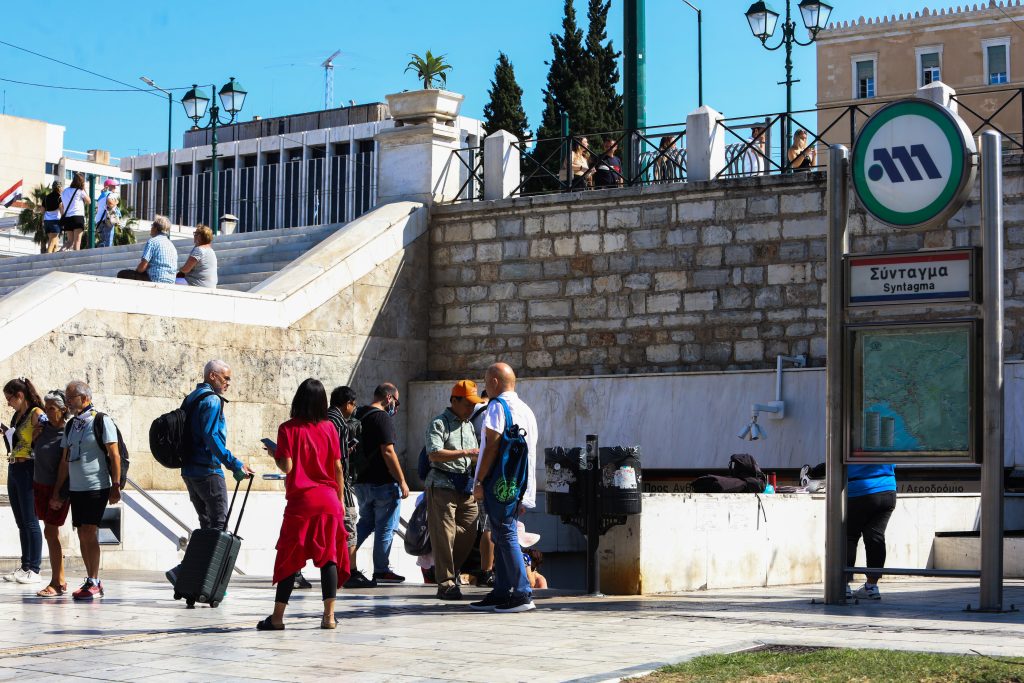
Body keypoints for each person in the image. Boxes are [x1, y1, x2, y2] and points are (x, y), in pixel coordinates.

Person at [258, 378, 351, 631]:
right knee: (329, 557)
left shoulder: (287, 429)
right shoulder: (330, 428)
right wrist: (341, 501)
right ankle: (329, 617)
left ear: (298, 399)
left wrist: (275, 454)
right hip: (329, 501)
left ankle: (277, 618)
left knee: (290, 558)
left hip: (301, 503)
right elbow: (338, 468)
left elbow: (287, 466)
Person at [166, 360, 255, 586]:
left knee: (206, 525)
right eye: (225, 378)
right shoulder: (213, 401)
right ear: (213, 376)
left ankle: (199, 577)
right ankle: (185, 570)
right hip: (208, 471)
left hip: (190, 471)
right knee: (218, 527)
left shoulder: (192, 397)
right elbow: (211, 436)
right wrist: (234, 464)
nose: (228, 383)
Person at [470, 362, 539, 613]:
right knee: (500, 532)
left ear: (495, 382)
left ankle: (521, 592)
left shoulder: (497, 406)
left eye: (486, 381)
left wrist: (479, 480)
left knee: (505, 532)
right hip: (518, 482)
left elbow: (492, 445)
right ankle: (501, 590)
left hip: (498, 482)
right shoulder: (525, 409)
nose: (485, 386)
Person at [50, 380, 121, 600]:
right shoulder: (71, 425)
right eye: (68, 398)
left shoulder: (101, 420)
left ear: (85, 398)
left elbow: (114, 454)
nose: (69, 402)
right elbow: (64, 460)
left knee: (90, 531)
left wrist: (116, 485)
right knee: (82, 533)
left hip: (96, 485)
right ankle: (90, 580)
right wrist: (57, 490)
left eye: (72, 398)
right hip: (76, 487)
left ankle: (95, 579)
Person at [424, 379, 485, 601]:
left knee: (469, 531)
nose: (471, 408)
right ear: (454, 400)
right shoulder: (439, 423)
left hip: (465, 485)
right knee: (444, 535)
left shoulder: (469, 425)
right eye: (467, 403)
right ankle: (446, 583)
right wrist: (466, 452)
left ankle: (446, 570)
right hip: (442, 485)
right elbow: (434, 453)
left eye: (473, 404)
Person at [353, 382, 410, 585]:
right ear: (389, 398)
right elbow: (388, 451)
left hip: (360, 481)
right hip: (383, 482)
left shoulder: (359, 414)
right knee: (386, 526)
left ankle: (341, 553)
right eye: (397, 401)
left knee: (366, 522)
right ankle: (381, 569)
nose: (396, 406)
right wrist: (402, 480)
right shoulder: (381, 417)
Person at [328, 386, 374, 589]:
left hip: (322, 485)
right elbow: (338, 463)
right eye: (353, 405)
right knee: (349, 526)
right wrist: (341, 493)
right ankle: (350, 572)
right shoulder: (339, 424)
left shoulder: (322, 419)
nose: (353, 409)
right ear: (347, 403)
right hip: (339, 486)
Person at [2, 377, 45, 585]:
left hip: (29, 467)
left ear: (20, 395)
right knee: (21, 521)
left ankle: (35, 568)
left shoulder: (36, 413)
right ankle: (25, 565)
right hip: (14, 466)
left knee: (30, 519)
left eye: (10, 398)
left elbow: (43, 440)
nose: (8, 403)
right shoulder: (16, 416)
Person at [32, 390, 71, 597]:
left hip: (56, 488)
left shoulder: (68, 432)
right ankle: (60, 580)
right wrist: (35, 436)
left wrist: (58, 494)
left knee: (50, 533)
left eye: (51, 408)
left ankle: (57, 582)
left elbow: (65, 466)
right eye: (46, 407)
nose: (46, 412)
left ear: (64, 410)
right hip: (40, 485)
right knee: (49, 532)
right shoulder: (43, 427)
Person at [846, 463, 897, 600]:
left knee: (848, 536)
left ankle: (843, 585)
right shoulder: (883, 441)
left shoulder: (854, 441)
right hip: (887, 489)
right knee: (876, 537)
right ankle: (871, 586)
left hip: (859, 489)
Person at [118, 215, 177, 283]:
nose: (151, 228)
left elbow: (142, 267)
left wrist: (136, 271)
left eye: (152, 226)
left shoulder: (152, 241)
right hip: (171, 281)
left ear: (155, 228)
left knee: (122, 274)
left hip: (155, 279)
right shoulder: (171, 245)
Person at [176, 224, 218, 288]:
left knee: (170, 281)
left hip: (197, 284)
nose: (194, 236)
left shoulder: (199, 250)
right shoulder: (211, 251)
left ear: (199, 236)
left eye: (195, 234)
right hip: (210, 285)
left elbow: (186, 269)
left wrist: (178, 270)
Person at [60, 173, 91, 251]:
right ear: (82, 182)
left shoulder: (65, 191)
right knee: (77, 241)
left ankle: (60, 252)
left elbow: (62, 205)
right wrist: (84, 189)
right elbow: (89, 201)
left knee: (69, 241)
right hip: (77, 217)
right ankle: (76, 260)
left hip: (67, 218)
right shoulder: (80, 191)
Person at [42, 181, 63, 254]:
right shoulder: (59, 197)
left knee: (55, 241)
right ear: (59, 188)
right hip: (55, 221)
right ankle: (47, 259)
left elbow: (43, 211)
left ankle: (54, 258)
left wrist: (42, 222)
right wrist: (64, 219)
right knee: (51, 243)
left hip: (47, 221)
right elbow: (61, 210)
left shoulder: (46, 197)